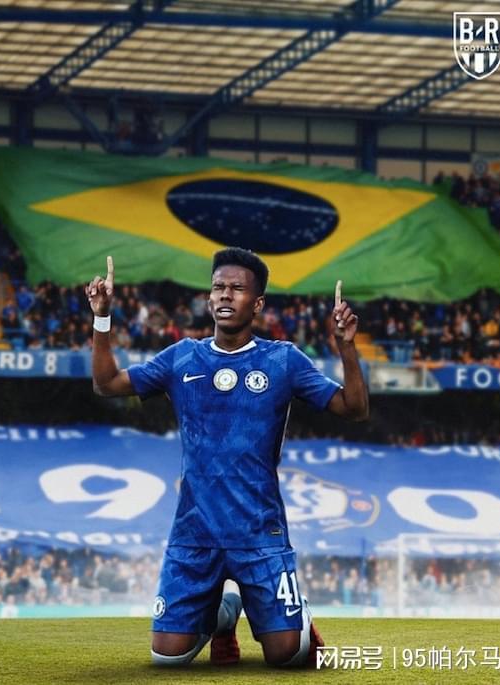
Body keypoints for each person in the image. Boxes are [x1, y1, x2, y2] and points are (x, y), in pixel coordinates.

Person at [85, 247, 368, 667]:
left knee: (288, 656)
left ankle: (294, 618)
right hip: (194, 532)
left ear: (257, 303)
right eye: (218, 286)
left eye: (237, 288)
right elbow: (107, 383)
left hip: (260, 532)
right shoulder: (182, 357)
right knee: (166, 658)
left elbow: (353, 408)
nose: (225, 295)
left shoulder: (283, 360)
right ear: (208, 297)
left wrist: (346, 347)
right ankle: (223, 616)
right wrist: (102, 318)